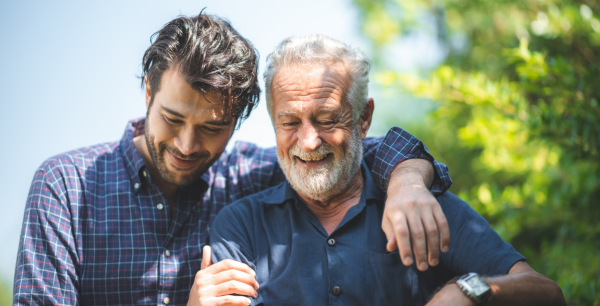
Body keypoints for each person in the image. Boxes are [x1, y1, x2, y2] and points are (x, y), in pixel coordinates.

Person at [13, 12, 453, 306]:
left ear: (238, 121)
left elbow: (347, 149)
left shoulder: (251, 175)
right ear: (148, 93)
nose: (187, 145)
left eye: (211, 128)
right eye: (171, 119)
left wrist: (408, 182)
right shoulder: (65, 187)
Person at [209, 34, 566, 305]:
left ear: (363, 119)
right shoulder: (241, 226)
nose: (308, 141)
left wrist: (469, 290)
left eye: (328, 119)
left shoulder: (420, 205)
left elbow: (547, 293)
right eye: (289, 122)